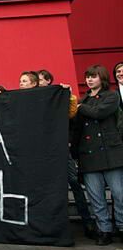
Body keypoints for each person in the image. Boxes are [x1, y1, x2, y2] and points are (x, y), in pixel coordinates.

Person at [37, 69, 95, 238]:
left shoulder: (59, 96)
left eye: (41, 80)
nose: (39, 83)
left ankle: (87, 222)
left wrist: (68, 95)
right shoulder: (33, 98)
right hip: (43, 152)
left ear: (48, 81)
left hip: (62, 150)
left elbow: (71, 115)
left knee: (74, 184)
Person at [72, 65, 123, 245]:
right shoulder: (82, 100)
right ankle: (104, 230)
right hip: (88, 155)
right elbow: (76, 130)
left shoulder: (111, 96)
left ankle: (122, 226)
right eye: (87, 77)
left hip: (111, 153)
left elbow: (100, 112)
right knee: (96, 198)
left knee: (119, 194)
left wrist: (79, 107)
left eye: (93, 76)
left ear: (102, 78)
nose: (89, 80)